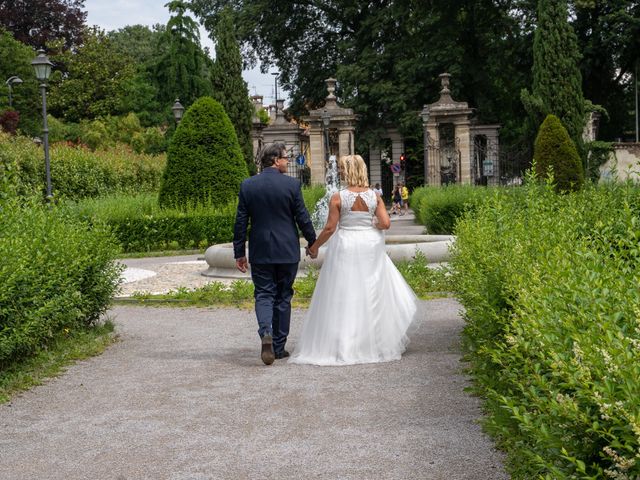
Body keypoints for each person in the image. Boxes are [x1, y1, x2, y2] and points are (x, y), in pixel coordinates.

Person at [289, 155, 418, 366]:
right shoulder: (374, 196)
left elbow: (330, 228)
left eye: (341, 169)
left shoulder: (338, 197)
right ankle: (373, 342)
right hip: (369, 243)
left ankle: (344, 343)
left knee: (344, 290)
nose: (339, 173)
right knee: (372, 289)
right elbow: (385, 224)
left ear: (349, 171)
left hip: (347, 243)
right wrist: (371, 225)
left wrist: (314, 247)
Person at [233, 143, 317, 365]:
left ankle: (266, 332)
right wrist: (312, 242)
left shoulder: (248, 185)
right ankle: (278, 347)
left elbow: (241, 222)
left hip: (260, 250)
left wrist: (239, 252)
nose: (287, 161)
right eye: (285, 158)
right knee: (283, 296)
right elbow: (302, 217)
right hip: (287, 250)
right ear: (275, 160)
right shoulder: (291, 185)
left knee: (263, 294)